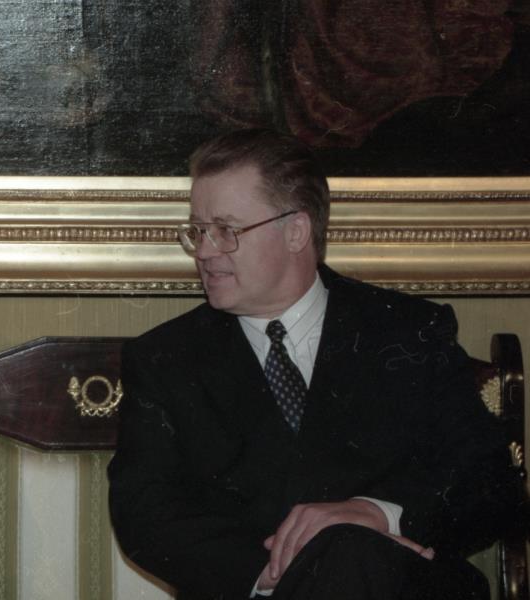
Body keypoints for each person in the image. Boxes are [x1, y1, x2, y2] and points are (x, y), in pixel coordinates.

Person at [107, 128, 523, 600]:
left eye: (226, 230)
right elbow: (144, 513)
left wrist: (378, 514)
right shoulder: (166, 359)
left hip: (399, 587)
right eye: (199, 231)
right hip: (261, 589)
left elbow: (489, 483)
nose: (204, 250)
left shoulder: (407, 332)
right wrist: (273, 573)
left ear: (296, 231)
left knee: (352, 553)